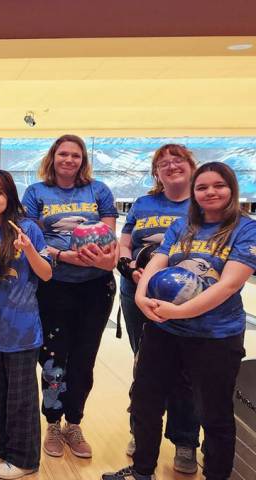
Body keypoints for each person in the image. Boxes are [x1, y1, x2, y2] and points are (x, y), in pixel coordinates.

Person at [103, 162, 255, 480]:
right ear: (194, 193)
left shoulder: (246, 228)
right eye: (202, 187)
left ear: (232, 189)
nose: (210, 192)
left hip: (215, 336)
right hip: (164, 331)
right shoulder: (184, 225)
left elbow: (229, 284)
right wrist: (142, 295)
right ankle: (143, 470)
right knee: (145, 401)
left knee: (214, 414)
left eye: (218, 185)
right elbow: (158, 260)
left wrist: (179, 312)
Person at [21, 134, 119, 459]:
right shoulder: (37, 192)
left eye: (75, 155)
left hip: (95, 287)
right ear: (53, 157)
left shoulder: (99, 190)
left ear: (83, 159)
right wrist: (64, 257)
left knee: (83, 360)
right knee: (52, 360)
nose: (69, 160)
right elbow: (32, 240)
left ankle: (74, 422)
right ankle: (52, 422)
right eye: (63, 154)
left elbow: (109, 237)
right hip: (54, 286)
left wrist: (105, 259)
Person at [116, 144, 200, 473]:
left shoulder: (202, 202)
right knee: (145, 365)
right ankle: (142, 430)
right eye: (163, 163)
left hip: (189, 299)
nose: (170, 166)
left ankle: (185, 440)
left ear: (192, 165)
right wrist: (129, 268)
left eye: (177, 160)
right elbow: (125, 242)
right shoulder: (143, 203)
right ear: (156, 172)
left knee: (185, 371)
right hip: (138, 292)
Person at [0, 170, 52, 480]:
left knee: (21, 398)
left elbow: (46, 274)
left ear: (10, 197)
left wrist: (28, 248)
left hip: (22, 329)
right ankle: (1, 448)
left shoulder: (27, 228)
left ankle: (26, 459)